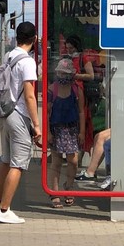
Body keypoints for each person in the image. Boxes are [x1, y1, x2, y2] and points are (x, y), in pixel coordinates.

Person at [0, 21, 41, 224]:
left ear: (17, 37)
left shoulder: (9, 56)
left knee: (5, 160)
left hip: (4, 113)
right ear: (34, 39)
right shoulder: (27, 62)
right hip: (18, 115)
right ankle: (3, 210)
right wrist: (36, 125)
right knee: (18, 164)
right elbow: (29, 96)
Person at [46, 58, 85, 207]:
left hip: (72, 129)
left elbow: (81, 111)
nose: (63, 76)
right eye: (61, 73)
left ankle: (69, 187)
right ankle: (54, 193)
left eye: (66, 73)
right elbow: (47, 113)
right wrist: (48, 132)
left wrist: (82, 132)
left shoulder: (76, 90)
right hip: (56, 129)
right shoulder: (52, 89)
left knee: (73, 161)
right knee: (56, 162)